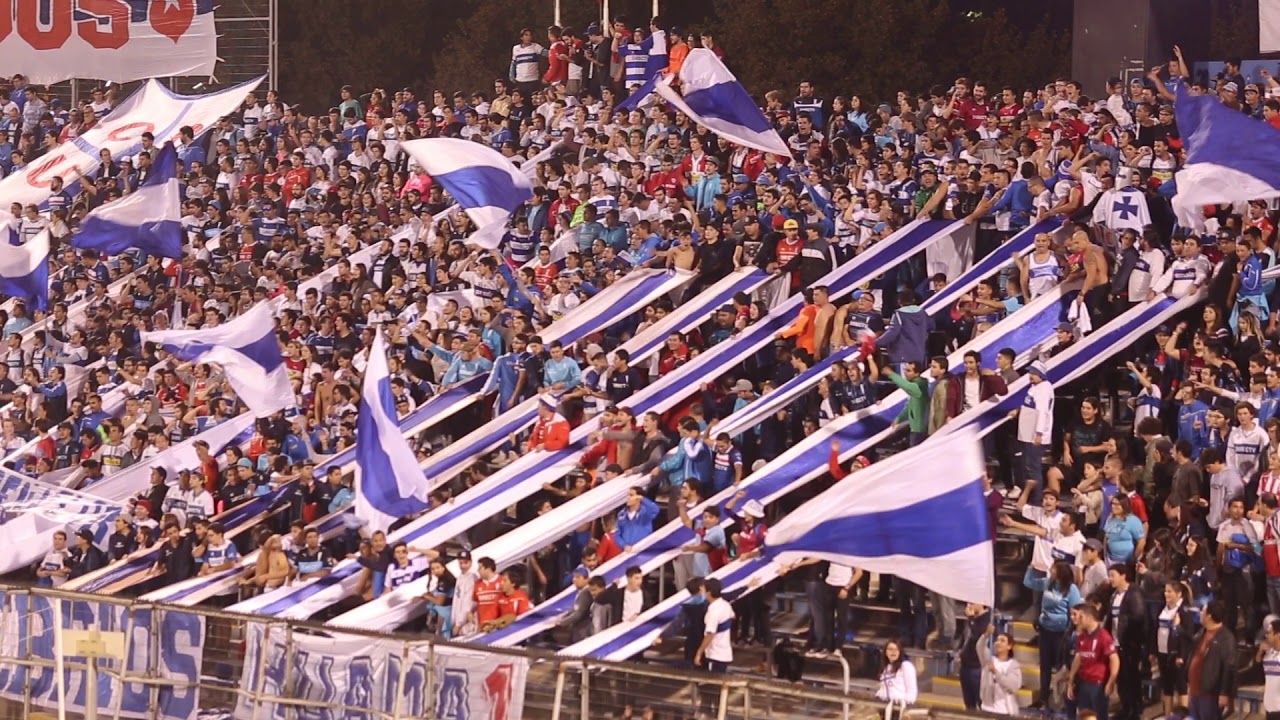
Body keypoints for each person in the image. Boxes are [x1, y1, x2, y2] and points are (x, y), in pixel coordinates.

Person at [1023, 561, 1081, 709]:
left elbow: (1075, 610)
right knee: (1045, 667)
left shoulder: (1072, 589)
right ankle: (1043, 699)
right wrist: (1030, 568)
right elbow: (1028, 582)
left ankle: (1062, 700)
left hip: (1061, 634)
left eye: (1053, 568)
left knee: (1061, 667)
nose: (1050, 570)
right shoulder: (1048, 583)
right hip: (1045, 631)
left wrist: (1070, 632)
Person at [1067, 604, 1118, 720]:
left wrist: (1111, 681)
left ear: (1088, 617)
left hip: (1098, 684)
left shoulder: (1104, 636)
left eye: (1079, 615)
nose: (1075, 618)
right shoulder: (1082, 636)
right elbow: (1078, 657)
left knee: (1099, 716)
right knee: (1084, 715)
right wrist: (1071, 679)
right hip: (1084, 682)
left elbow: (1114, 659)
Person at [1187, 600, 1236, 720]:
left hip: (1210, 694)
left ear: (1209, 615)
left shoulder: (1226, 638)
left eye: (1202, 611)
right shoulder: (1200, 633)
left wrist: (1224, 693)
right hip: (1195, 691)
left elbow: (1229, 667)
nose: (1200, 614)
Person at [1155, 582, 1196, 716]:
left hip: (1177, 655)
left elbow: (1189, 636)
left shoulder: (1185, 610)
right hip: (1163, 653)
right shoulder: (1163, 608)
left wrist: (1182, 656)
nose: (1166, 594)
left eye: (1170, 591)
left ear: (1179, 594)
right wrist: (1153, 651)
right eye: (1165, 591)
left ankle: (1183, 716)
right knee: (1167, 687)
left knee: (1181, 686)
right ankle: (1168, 715)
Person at [1016, 361, 1054, 503]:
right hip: (1028, 434)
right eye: (1030, 373)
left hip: (1035, 436)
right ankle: (1031, 498)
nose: (1030, 376)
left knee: (1033, 468)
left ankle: (1036, 501)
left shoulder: (1044, 389)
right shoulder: (1035, 387)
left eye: (1033, 373)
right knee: (1028, 467)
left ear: (1041, 375)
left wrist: (1039, 433)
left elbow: (1043, 412)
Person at [978, 626, 1023, 715]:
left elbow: (1012, 686)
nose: (998, 643)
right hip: (987, 708)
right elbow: (979, 647)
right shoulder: (989, 660)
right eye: (997, 640)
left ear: (1009, 646)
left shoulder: (1014, 666)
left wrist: (996, 672)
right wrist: (986, 635)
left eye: (1002, 641)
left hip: (1004, 711)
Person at [695, 577, 734, 672]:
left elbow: (710, 634)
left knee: (713, 682)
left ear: (709, 592)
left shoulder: (714, 612)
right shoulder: (725, 604)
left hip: (715, 653)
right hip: (724, 650)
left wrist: (699, 652)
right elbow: (732, 616)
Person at [875, 639, 918, 707]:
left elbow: (912, 690)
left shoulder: (906, 666)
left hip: (899, 705)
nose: (893, 652)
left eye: (896, 649)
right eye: (890, 649)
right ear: (886, 652)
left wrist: (906, 707)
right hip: (884, 704)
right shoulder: (886, 667)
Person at [1258, 618, 1280, 720]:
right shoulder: (1267, 652)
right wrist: (1259, 652)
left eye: (1269, 633)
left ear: (1278, 635)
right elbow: (1257, 662)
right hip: (1269, 707)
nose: (1266, 635)